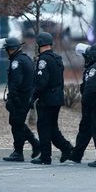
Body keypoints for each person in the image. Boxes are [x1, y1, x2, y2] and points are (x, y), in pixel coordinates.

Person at [0, 37, 40, 162]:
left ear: (10, 50)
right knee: (16, 123)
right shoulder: (25, 58)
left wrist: (11, 98)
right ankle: (32, 144)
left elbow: (16, 82)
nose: (6, 52)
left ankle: (21, 151)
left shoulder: (17, 62)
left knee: (16, 124)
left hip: (20, 98)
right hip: (25, 97)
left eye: (7, 50)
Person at [30, 32, 73, 165]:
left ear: (40, 45)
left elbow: (42, 82)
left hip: (46, 99)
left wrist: (33, 97)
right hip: (57, 98)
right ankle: (67, 148)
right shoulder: (57, 58)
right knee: (53, 128)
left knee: (43, 128)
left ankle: (45, 157)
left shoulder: (43, 60)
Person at [69, 43, 93, 163]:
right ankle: (77, 154)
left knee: (90, 130)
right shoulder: (91, 67)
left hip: (91, 105)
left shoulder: (93, 68)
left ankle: (77, 154)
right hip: (90, 104)